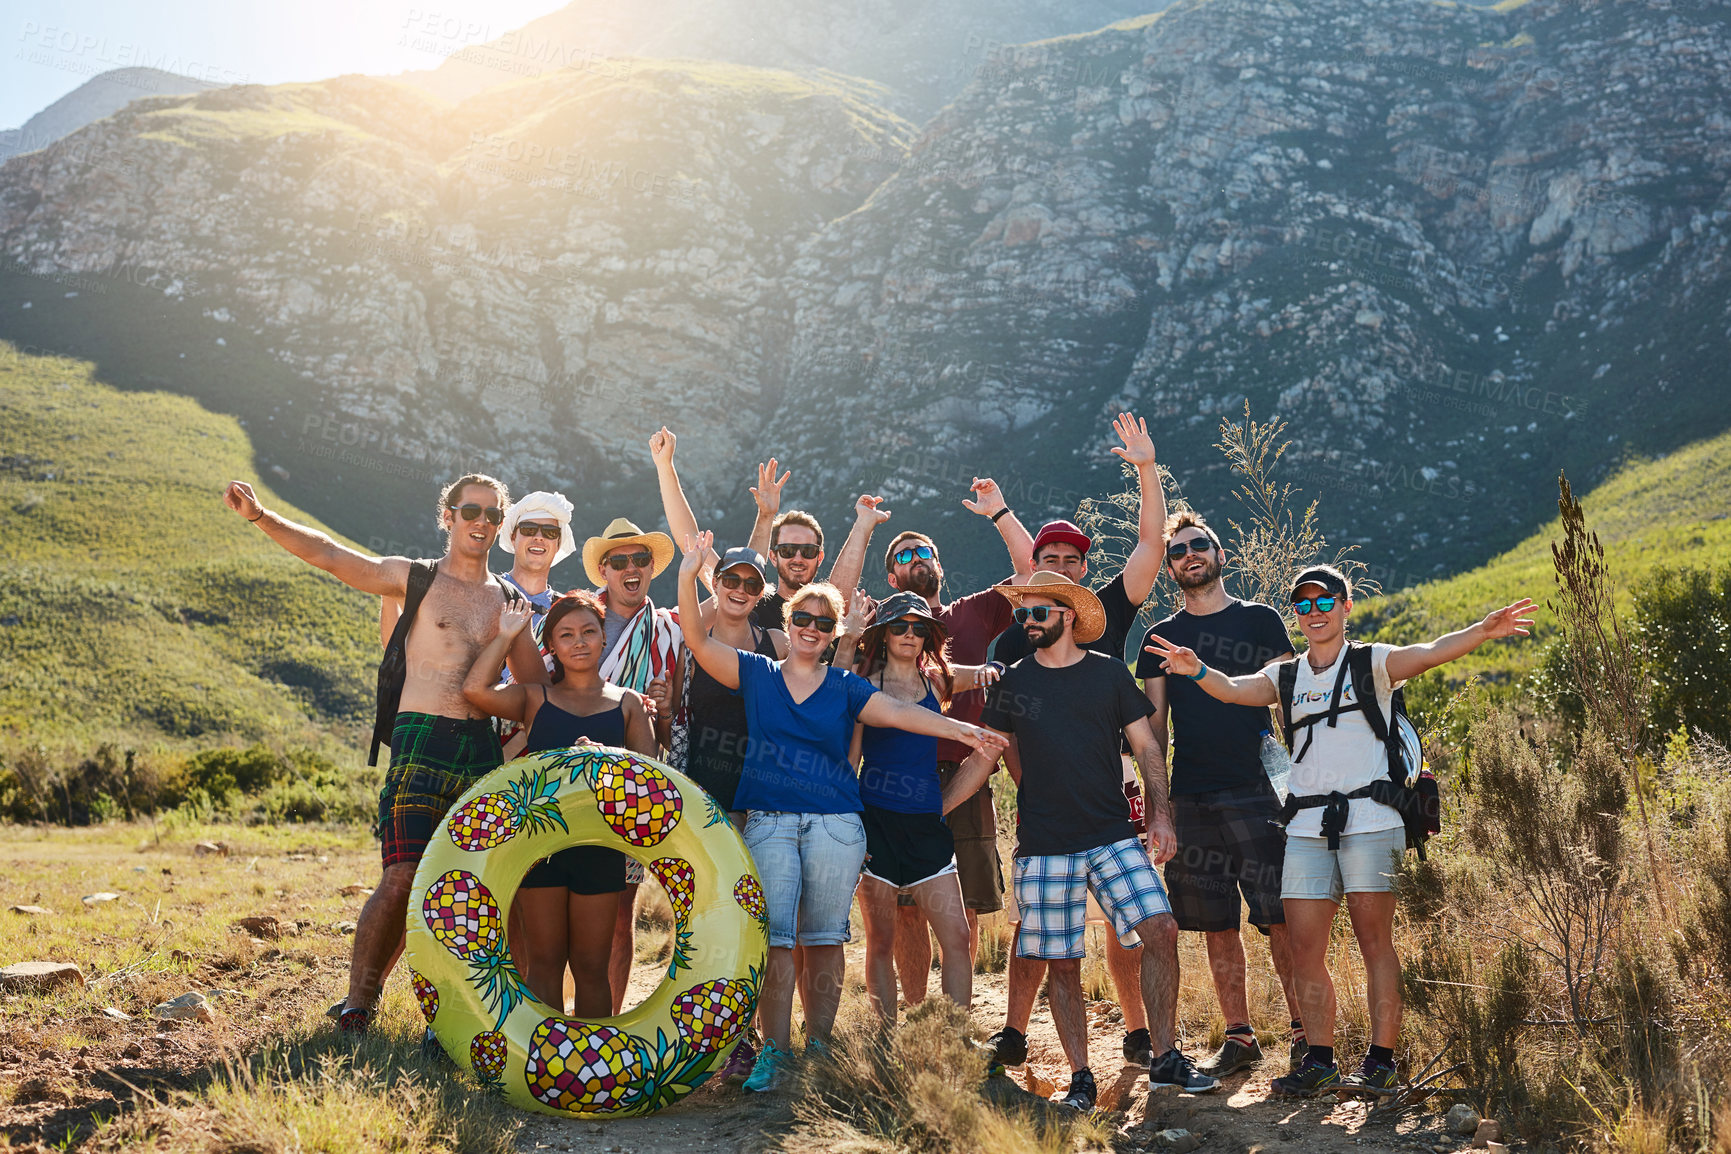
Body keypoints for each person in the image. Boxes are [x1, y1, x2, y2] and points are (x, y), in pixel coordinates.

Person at [1144, 565, 1533, 1098]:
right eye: (1303, 605)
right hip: (1306, 827)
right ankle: (1320, 1060)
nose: (1314, 612)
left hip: (1372, 820)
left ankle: (1380, 1061)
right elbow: (1235, 692)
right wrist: (1196, 670)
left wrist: (1483, 631)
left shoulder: (1372, 662)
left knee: (1376, 943)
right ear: (1296, 616)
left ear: (1346, 606)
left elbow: (1430, 651)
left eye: (1325, 601)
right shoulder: (1286, 676)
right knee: (1304, 948)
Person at [674, 529, 1008, 1093]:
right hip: (771, 823)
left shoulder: (846, 687)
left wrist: (962, 730)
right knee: (777, 940)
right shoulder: (757, 672)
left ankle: (822, 1044)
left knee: (825, 937)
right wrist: (688, 575)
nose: (810, 630)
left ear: (834, 634)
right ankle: (775, 1051)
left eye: (823, 624)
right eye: (801, 620)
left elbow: (902, 715)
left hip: (836, 826)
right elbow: (698, 643)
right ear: (789, 624)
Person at [222, 473, 545, 1034]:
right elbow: (329, 555)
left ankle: (473, 1013)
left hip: (479, 748)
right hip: (419, 739)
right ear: (447, 516)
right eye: (471, 511)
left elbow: (535, 692)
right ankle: (358, 1004)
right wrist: (260, 516)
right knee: (401, 878)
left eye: (494, 516)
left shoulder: (509, 602)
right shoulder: (413, 579)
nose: (482, 523)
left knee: (483, 887)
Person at [973, 572, 1221, 1112]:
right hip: (1043, 844)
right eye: (1022, 615)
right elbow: (986, 756)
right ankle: (1081, 1077)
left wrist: (1162, 815)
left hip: (1112, 835)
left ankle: (1163, 1059)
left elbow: (1148, 748)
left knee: (1160, 929)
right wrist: (934, 808)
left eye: (1038, 613)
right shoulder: (1013, 683)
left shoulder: (1108, 674)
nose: (1027, 623)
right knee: (1062, 962)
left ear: (1067, 615)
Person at [985, 412, 1167, 1068]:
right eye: (1049, 560)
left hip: (1114, 784)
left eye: (1071, 560)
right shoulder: (1018, 635)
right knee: (1037, 928)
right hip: (1045, 794)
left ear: (1084, 571)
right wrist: (1027, 781)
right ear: (1035, 568)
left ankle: (1139, 1031)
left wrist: (1145, 467)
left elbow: (1150, 545)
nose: (1060, 566)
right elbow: (1002, 728)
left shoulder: (1109, 610)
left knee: (1130, 918)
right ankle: (1011, 1029)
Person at [845, 480, 1034, 986]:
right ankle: (914, 1014)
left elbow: (1030, 574)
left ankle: (952, 1030)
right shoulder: (878, 643)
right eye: (904, 555)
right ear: (891, 575)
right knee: (903, 911)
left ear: (939, 564)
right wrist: (862, 529)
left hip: (964, 777)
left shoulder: (971, 612)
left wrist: (999, 513)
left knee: (962, 908)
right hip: (894, 783)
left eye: (924, 550)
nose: (916, 558)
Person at [1135, 511, 1303, 1077]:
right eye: (1177, 551)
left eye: (1197, 545)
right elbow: (1152, 731)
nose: (1189, 555)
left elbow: (1286, 696)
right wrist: (1161, 809)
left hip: (1260, 788)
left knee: (1281, 915)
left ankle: (1307, 1036)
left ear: (1219, 552)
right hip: (1192, 796)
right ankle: (1241, 1037)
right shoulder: (1160, 640)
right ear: (1170, 568)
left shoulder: (1261, 621)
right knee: (1215, 923)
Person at [462, 592, 657, 1017]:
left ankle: (596, 1068)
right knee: (544, 965)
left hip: (600, 849)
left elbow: (649, 778)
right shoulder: (535, 698)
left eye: (589, 631)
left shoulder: (628, 704)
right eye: (566, 635)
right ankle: (548, 1067)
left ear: (603, 637)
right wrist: (508, 635)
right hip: (540, 849)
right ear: (551, 646)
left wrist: (610, 757)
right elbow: (475, 689)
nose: (580, 641)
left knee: (590, 968)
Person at [848, 591, 1002, 1023]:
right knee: (881, 939)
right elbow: (851, 762)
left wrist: (1007, 668)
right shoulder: (863, 685)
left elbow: (986, 673)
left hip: (927, 828)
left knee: (956, 935)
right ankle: (886, 1039)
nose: (909, 634)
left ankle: (954, 1038)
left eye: (919, 627)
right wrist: (853, 829)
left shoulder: (937, 680)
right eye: (899, 626)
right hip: (876, 824)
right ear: (883, 633)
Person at [582, 512, 683, 1013]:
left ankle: (607, 1021)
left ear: (650, 568)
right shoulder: (576, 620)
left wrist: (663, 710)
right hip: (571, 782)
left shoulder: (669, 634)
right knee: (558, 903)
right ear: (604, 570)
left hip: (633, 786)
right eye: (618, 560)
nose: (630, 567)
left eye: (639, 558)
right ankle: (553, 1018)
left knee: (622, 911)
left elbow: (671, 734)